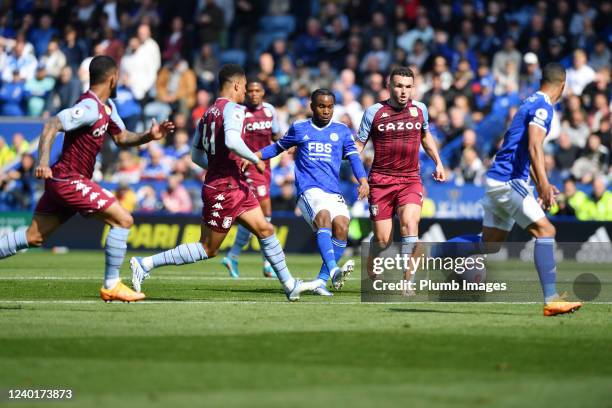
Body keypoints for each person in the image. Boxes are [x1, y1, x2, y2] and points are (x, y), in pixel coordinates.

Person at [130, 64, 316, 301]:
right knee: (208, 248)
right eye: (245, 87)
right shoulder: (234, 110)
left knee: (265, 229)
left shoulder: (207, 114)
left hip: (233, 183)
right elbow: (232, 141)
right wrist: (254, 158)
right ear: (237, 85)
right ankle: (144, 264)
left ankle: (290, 285)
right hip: (224, 189)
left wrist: (218, 167)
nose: (245, 92)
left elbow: (195, 155)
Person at [0, 55, 175, 302]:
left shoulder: (107, 108)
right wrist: (42, 161)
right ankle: (111, 284)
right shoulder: (89, 107)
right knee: (123, 219)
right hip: (68, 179)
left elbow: (122, 137)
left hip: (66, 181)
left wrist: (149, 135)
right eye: (119, 78)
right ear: (112, 79)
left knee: (34, 237)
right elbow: (52, 124)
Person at [431, 63, 583, 316]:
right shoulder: (543, 106)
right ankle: (551, 299)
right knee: (546, 231)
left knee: (489, 245)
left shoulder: (528, 102)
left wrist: (540, 181)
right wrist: (543, 185)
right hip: (508, 181)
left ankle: (427, 252)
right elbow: (535, 147)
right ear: (563, 86)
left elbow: (523, 149)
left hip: (497, 179)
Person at [251, 89, 369, 296]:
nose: (326, 111)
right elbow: (277, 147)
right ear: (312, 107)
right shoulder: (299, 128)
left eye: (330, 107)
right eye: (322, 106)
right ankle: (333, 269)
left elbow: (354, 159)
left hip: (333, 191)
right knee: (323, 218)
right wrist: (254, 156)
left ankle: (321, 282)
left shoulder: (342, 131)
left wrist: (363, 180)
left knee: (342, 226)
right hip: (309, 190)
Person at [355, 67, 445, 283]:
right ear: (389, 87)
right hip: (381, 181)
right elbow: (359, 144)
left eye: (408, 87)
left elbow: (425, 136)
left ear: (413, 88)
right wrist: (355, 170)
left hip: (410, 179)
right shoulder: (374, 112)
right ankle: (373, 253)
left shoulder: (420, 109)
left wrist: (438, 162)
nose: (404, 91)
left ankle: (408, 280)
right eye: (399, 86)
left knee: (410, 224)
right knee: (383, 240)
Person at [222, 77, 281, 278]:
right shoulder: (239, 112)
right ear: (246, 93)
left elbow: (275, 136)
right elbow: (232, 140)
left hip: (265, 167)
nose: (254, 94)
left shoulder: (270, 111)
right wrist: (248, 157)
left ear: (263, 92)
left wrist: (289, 145)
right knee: (264, 212)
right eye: (251, 91)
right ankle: (267, 263)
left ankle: (233, 256)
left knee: (255, 216)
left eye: (258, 91)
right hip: (248, 166)